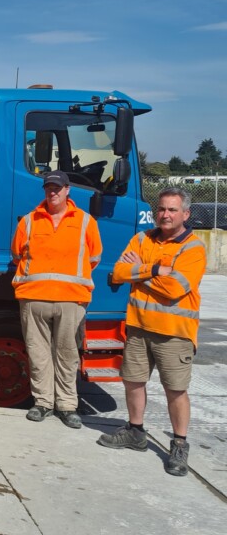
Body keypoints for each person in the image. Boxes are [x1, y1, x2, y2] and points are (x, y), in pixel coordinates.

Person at [98, 187, 206, 477]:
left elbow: (174, 290)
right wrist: (158, 269)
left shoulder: (193, 248)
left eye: (172, 210)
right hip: (138, 327)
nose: (165, 215)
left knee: (175, 390)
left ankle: (179, 444)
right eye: (161, 209)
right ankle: (135, 432)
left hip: (174, 332)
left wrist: (141, 271)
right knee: (133, 381)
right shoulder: (142, 237)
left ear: (186, 213)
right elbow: (118, 273)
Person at [11, 170, 101, 429]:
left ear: (67, 190)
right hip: (33, 297)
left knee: (67, 354)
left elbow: (94, 258)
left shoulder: (85, 222)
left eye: (57, 188)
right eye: (49, 188)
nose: (53, 192)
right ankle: (42, 403)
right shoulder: (29, 221)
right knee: (38, 353)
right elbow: (18, 255)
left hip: (71, 300)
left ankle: (67, 405)